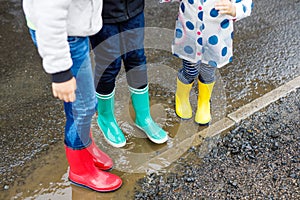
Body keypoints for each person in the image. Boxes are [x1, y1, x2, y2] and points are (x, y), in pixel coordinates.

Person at [22, 0, 122, 192]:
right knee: (83, 107)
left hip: (73, 28)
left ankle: (85, 147)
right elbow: (49, 13)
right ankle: (80, 169)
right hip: (65, 36)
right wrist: (60, 71)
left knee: (84, 104)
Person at [89, 0, 168, 147]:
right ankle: (106, 117)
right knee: (109, 65)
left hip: (133, 7)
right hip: (101, 13)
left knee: (137, 58)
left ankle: (143, 116)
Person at [161, 0, 252, 125]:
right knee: (190, 70)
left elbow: (246, 4)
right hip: (190, 34)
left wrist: (234, 8)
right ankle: (181, 97)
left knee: (208, 72)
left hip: (215, 37)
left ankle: (204, 102)